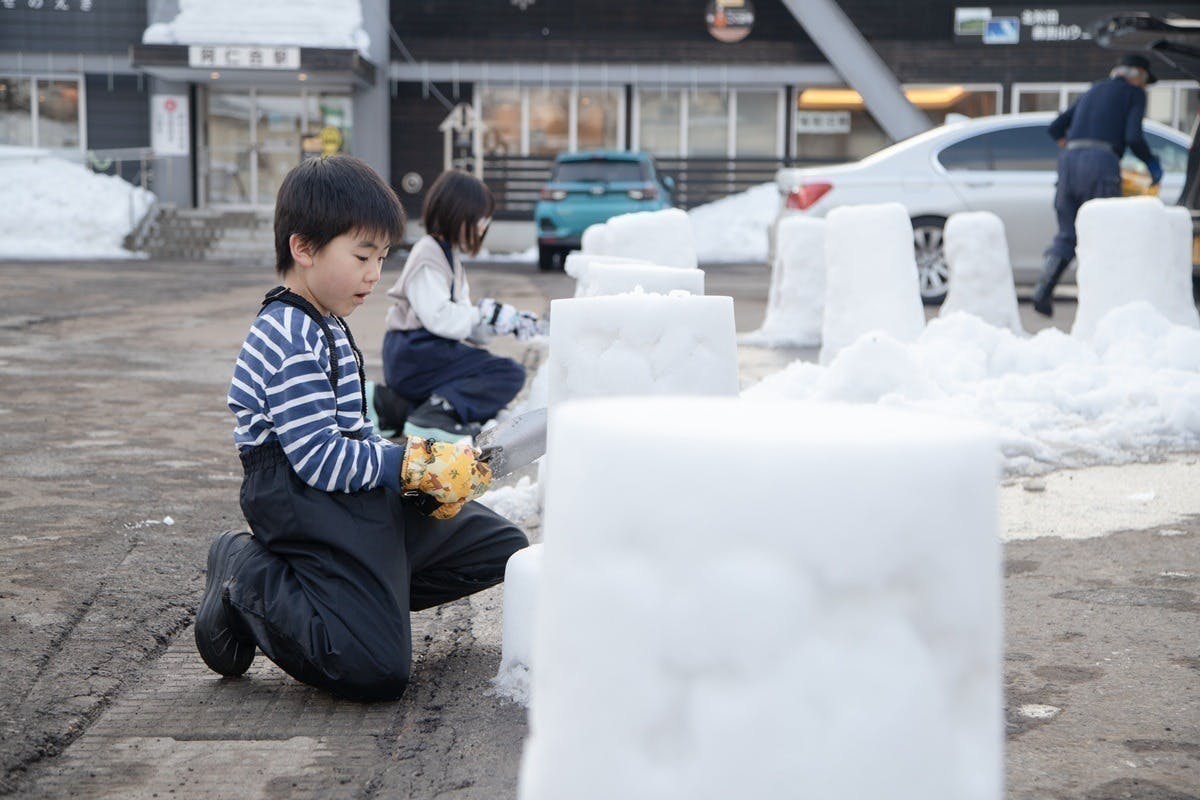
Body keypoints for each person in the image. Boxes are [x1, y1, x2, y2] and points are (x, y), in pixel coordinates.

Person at [195, 155, 528, 701]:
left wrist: (415, 479)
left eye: (382, 257)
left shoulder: (326, 322)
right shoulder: (288, 337)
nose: (375, 273)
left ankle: (361, 596)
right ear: (303, 249)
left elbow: (354, 434)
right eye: (362, 256)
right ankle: (247, 572)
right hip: (303, 496)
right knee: (375, 668)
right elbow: (320, 458)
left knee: (501, 547)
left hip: (346, 489)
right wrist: (407, 464)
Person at [373, 170, 546, 442]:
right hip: (413, 352)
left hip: (423, 354)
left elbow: (464, 325)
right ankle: (435, 416)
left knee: (494, 368)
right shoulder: (428, 253)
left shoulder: (448, 256)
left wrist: (499, 322)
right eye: (480, 219)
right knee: (507, 373)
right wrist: (483, 314)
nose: (483, 227)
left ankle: (395, 408)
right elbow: (440, 318)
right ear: (457, 213)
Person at [1033, 53, 1163, 317]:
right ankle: (1103, 304)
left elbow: (1056, 128)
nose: (1144, 86)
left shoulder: (1094, 89)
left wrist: (1075, 149)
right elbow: (1133, 136)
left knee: (1067, 233)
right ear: (1138, 74)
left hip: (1068, 163)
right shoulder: (1134, 94)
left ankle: (1043, 288)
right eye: (1145, 81)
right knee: (1105, 231)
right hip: (1102, 163)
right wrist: (1151, 162)